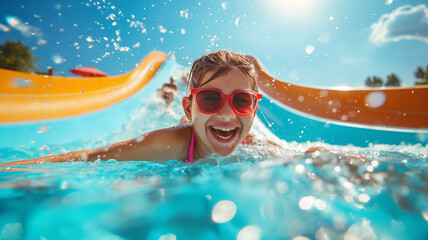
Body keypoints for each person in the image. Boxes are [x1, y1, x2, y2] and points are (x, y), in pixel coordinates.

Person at [0, 50, 366, 167]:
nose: (226, 114)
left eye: (241, 101)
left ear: (255, 108)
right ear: (190, 108)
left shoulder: (256, 150)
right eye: (210, 99)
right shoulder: (169, 143)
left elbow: (306, 157)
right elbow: (91, 156)